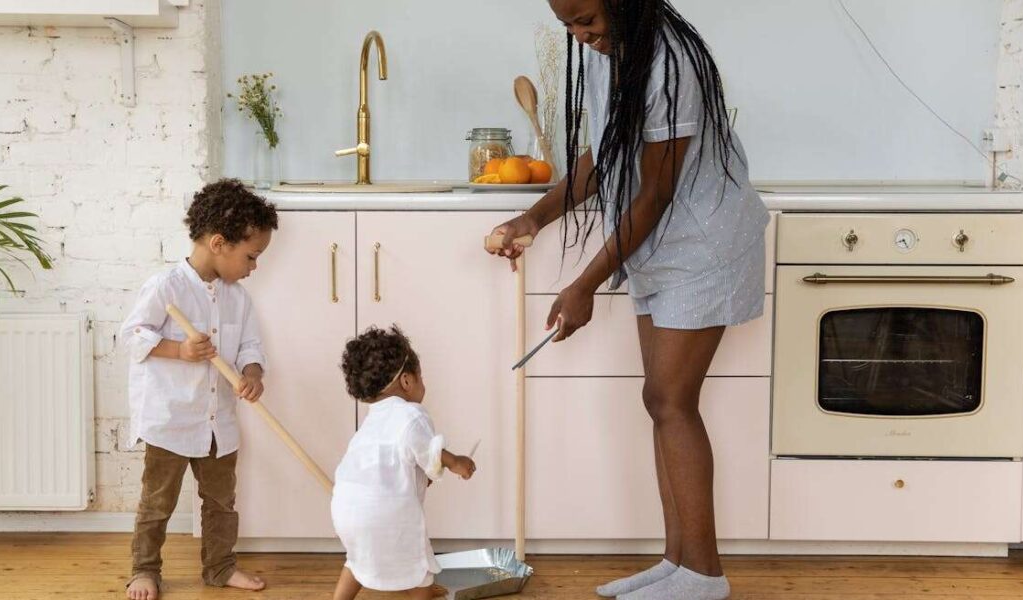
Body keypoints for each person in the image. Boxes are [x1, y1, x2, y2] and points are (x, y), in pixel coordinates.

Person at [487, 1, 769, 598]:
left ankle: (705, 575)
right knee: (660, 400)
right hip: (659, 245)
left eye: (586, 19)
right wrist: (533, 217)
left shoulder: (669, 60)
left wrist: (584, 284)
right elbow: (606, 153)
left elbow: (657, 190)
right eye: (567, 25)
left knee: (671, 400)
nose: (579, 35)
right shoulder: (609, 49)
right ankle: (678, 563)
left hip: (702, 241)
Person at [121, 178, 278, 600]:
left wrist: (253, 374)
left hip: (217, 422)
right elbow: (132, 336)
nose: (254, 266)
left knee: (221, 502)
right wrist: (180, 349)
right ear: (219, 243)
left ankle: (220, 567)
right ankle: (144, 570)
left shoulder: (238, 298)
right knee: (157, 503)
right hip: (170, 420)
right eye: (251, 256)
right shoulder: (166, 287)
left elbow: (251, 346)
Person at [330, 325, 477, 600]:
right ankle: (420, 589)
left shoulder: (371, 422)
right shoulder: (411, 414)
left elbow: (398, 465)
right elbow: (428, 450)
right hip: (385, 512)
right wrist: (456, 462)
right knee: (420, 571)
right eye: (421, 377)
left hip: (345, 510)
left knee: (358, 560)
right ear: (407, 381)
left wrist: (424, 477)